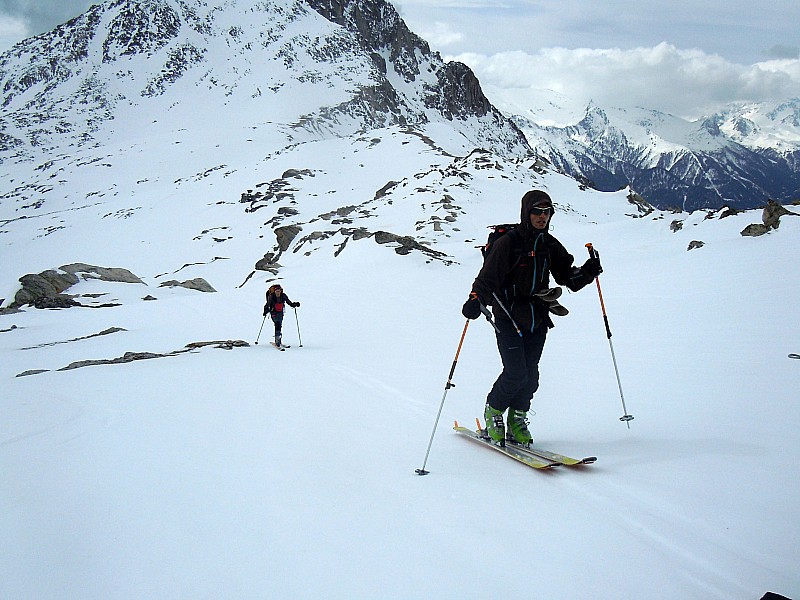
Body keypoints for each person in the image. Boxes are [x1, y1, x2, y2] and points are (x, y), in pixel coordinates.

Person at [461, 190, 602, 445]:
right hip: (508, 315)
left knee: (531, 374)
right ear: (526, 212)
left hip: (537, 316)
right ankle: (493, 411)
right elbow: (487, 277)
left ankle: (517, 419)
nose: (542, 216)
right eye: (537, 211)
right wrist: (475, 298)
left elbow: (567, 278)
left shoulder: (549, 244)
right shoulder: (509, 243)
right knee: (516, 372)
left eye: (547, 212)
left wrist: (588, 272)